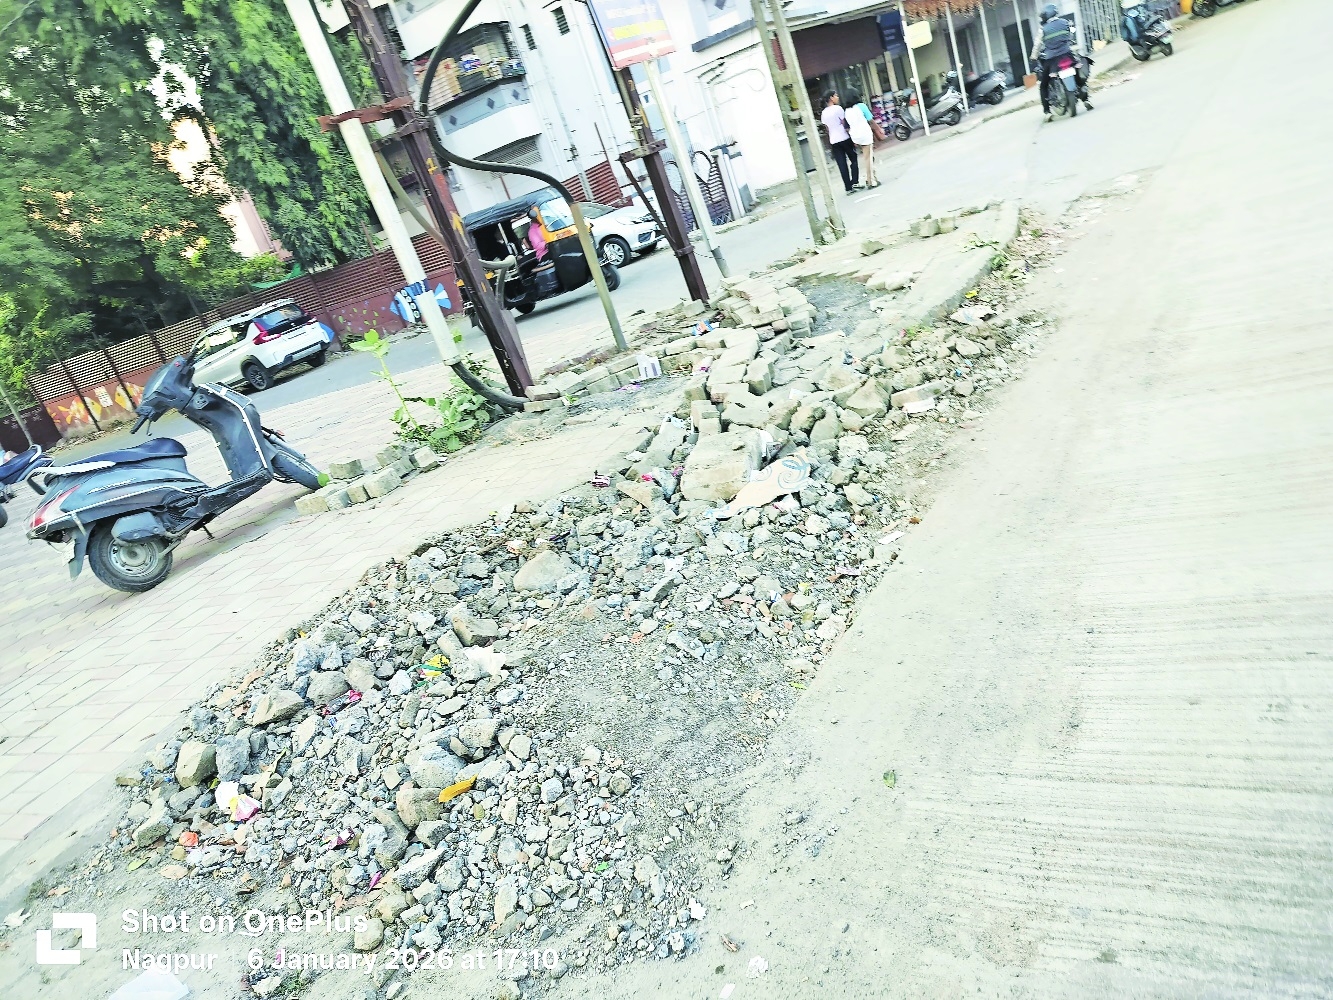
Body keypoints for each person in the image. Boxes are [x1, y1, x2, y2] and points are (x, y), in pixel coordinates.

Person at [1031, 3, 1093, 121]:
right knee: (1078, 77)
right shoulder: (1065, 22)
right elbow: (1071, 33)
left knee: (1043, 84)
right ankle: (1086, 100)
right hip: (1068, 55)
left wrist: (1033, 56)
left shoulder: (1043, 29)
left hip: (1052, 59)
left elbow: (1037, 44)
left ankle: (1047, 112)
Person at [820, 91, 859, 194]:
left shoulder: (824, 113)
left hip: (834, 140)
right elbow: (844, 123)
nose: (838, 97)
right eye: (836, 95)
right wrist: (852, 136)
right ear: (831, 98)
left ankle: (848, 188)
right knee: (853, 158)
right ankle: (854, 181)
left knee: (842, 164)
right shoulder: (838, 109)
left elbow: (827, 128)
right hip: (844, 137)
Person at [844, 91, 882, 190]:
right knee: (868, 158)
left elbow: (847, 127)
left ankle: (872, 176)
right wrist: (879, 129)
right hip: (864, 134)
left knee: (868, 156)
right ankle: (870, 180)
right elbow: (870, 120)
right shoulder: (861, 106)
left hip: (855, 136)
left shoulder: (846, 110)